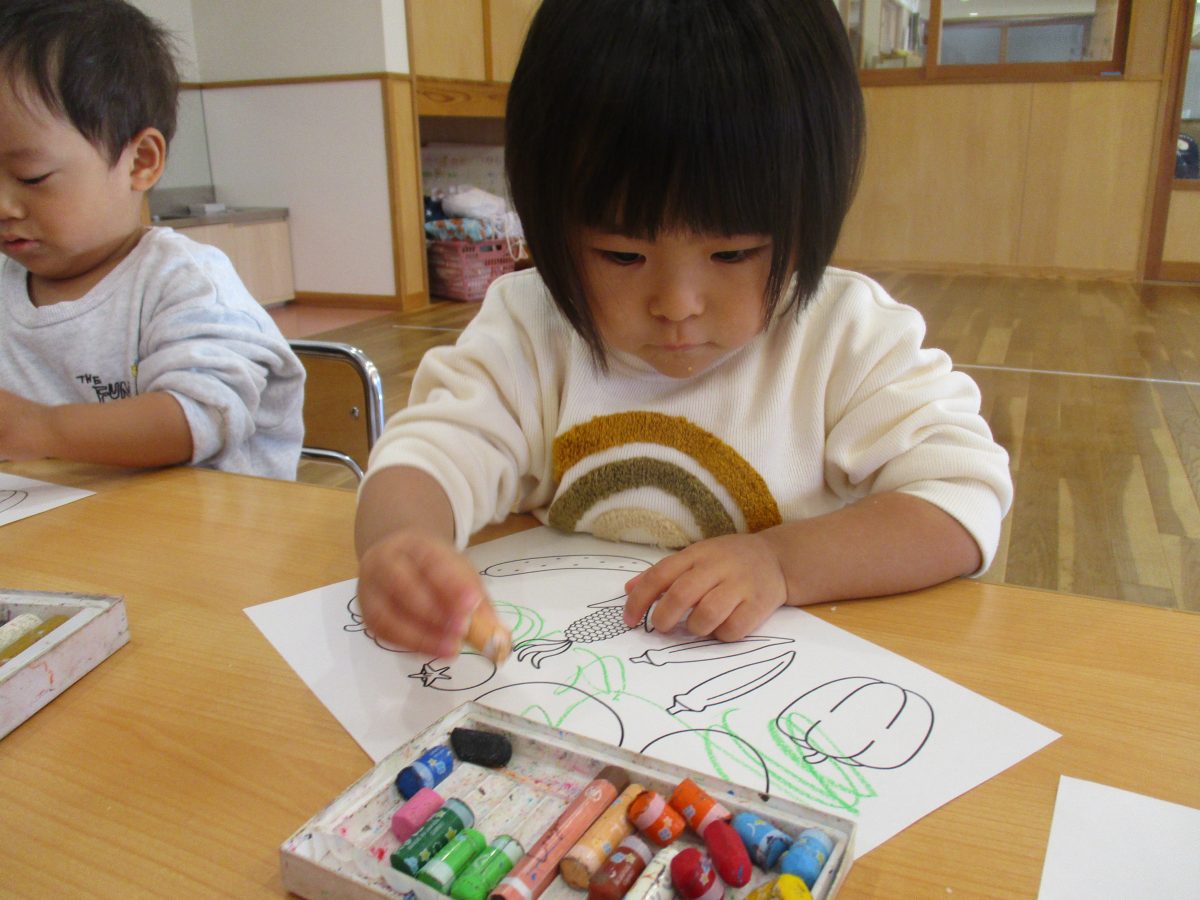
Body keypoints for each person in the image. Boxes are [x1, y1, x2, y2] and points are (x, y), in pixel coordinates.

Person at [356, 0, 1013, 657]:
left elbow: (961, 497)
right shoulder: (534, 330)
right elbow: (426, 457)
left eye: (733, 253)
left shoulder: (843, 339)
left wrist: (783, 561)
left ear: (810, 217)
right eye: (621, 255)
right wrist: (401, 545)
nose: (677, 304)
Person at [0, 0, 304, 480]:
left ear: (140, 161)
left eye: (31, 176)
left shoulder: (184, 281)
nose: (4, 205)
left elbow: (201, 416)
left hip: (201, 522)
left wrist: (39, 429)